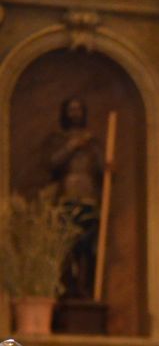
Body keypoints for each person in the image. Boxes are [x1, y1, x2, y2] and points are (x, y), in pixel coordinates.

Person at [47, 96, 103, 300]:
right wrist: (72, 146)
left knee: (89, 248)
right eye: (71, 109)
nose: (75, 113)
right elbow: (53, 164)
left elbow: (100, 168)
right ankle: (68, 290)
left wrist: (106, 164)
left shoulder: (93, 141)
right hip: (67, 196)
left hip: (89, 198)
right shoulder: (58, 139)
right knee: (68, 248)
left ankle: (86, 289)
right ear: (65, 113)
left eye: (79, 109)